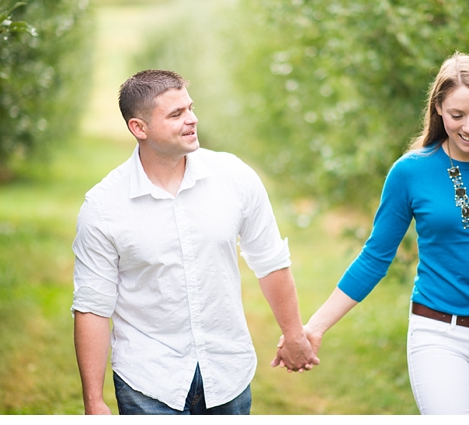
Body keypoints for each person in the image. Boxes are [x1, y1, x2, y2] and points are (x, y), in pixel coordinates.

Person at [273, 52, 469, 414]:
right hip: (438, 335)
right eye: (457, 115)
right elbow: (374, 258)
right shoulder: (410, 172)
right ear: (438, 108)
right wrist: (315, 327)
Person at [72, 69, 318, 415]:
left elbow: (270, 261)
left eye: (190, 108)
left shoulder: (234, 178)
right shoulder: (103, 207)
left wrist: (294, 335)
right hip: (147, 380)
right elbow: (92, 306)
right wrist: (93, 402)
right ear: (138, 128)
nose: (192, 120)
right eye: (176, 114)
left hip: (227, 372)